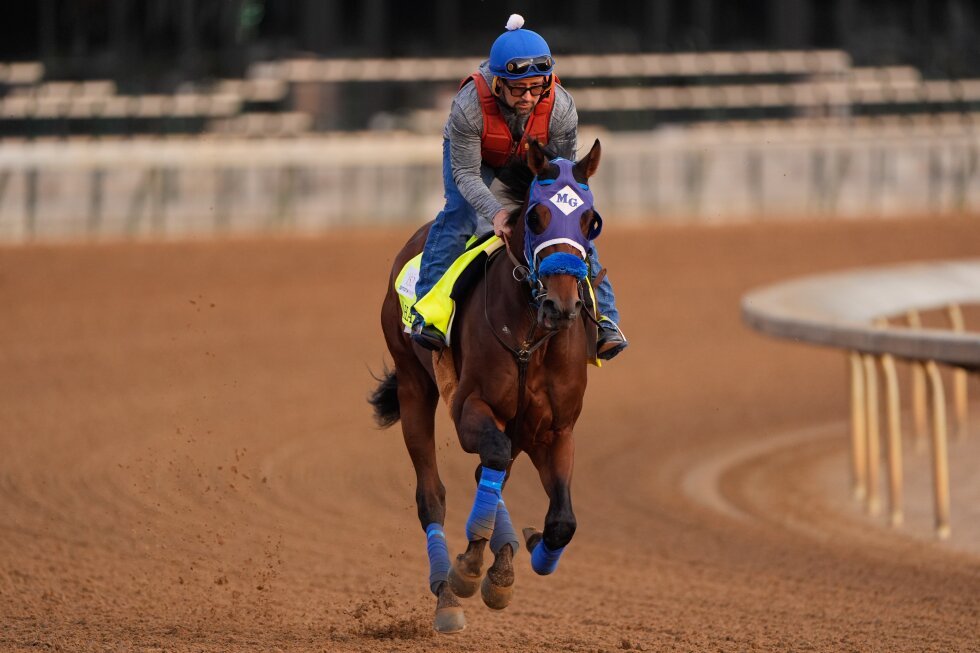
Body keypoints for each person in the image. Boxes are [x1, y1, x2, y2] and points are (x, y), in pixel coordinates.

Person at [411, 14, 627, 361]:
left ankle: (606, 321)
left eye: (536, 87)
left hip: (531, 160)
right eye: (517, 88)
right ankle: (427, 315)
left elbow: (563, 180)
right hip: (476, 161)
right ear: (497, 83)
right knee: (461, 216)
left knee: (570, 222)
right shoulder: (468, 107)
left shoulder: (561, 108)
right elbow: (465, 175)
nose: (528, 97)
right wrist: (496, 213)